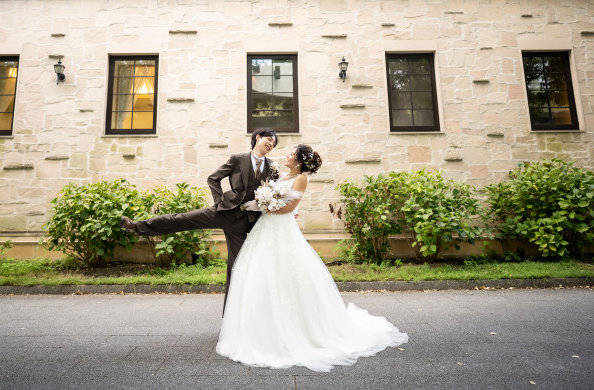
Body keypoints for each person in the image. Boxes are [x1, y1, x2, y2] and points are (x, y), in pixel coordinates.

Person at [216, 145, 409, 372]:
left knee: (286, 273)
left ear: (299, 161)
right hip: (266, 228)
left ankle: (297, 331)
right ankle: (257, 329)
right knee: (259, 274)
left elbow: (289, 207)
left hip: (281, 227)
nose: (287, 155)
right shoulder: (283, 175)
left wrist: (262, 206)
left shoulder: (301, 179)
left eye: (291, 154)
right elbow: (275, 195)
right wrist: (263, 199)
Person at [120, 128, 278, 309]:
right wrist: (219, 202)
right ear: (258, 137)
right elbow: (213, 178)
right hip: (224, 211)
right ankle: (136, 227)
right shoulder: (237, 159)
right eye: (269, 139)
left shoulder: (272, 167)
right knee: (181, 219)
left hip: (244, 223)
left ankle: (232, 315)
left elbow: (274, 194)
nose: (271, 144)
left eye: (274, 143)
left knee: (238, 267)